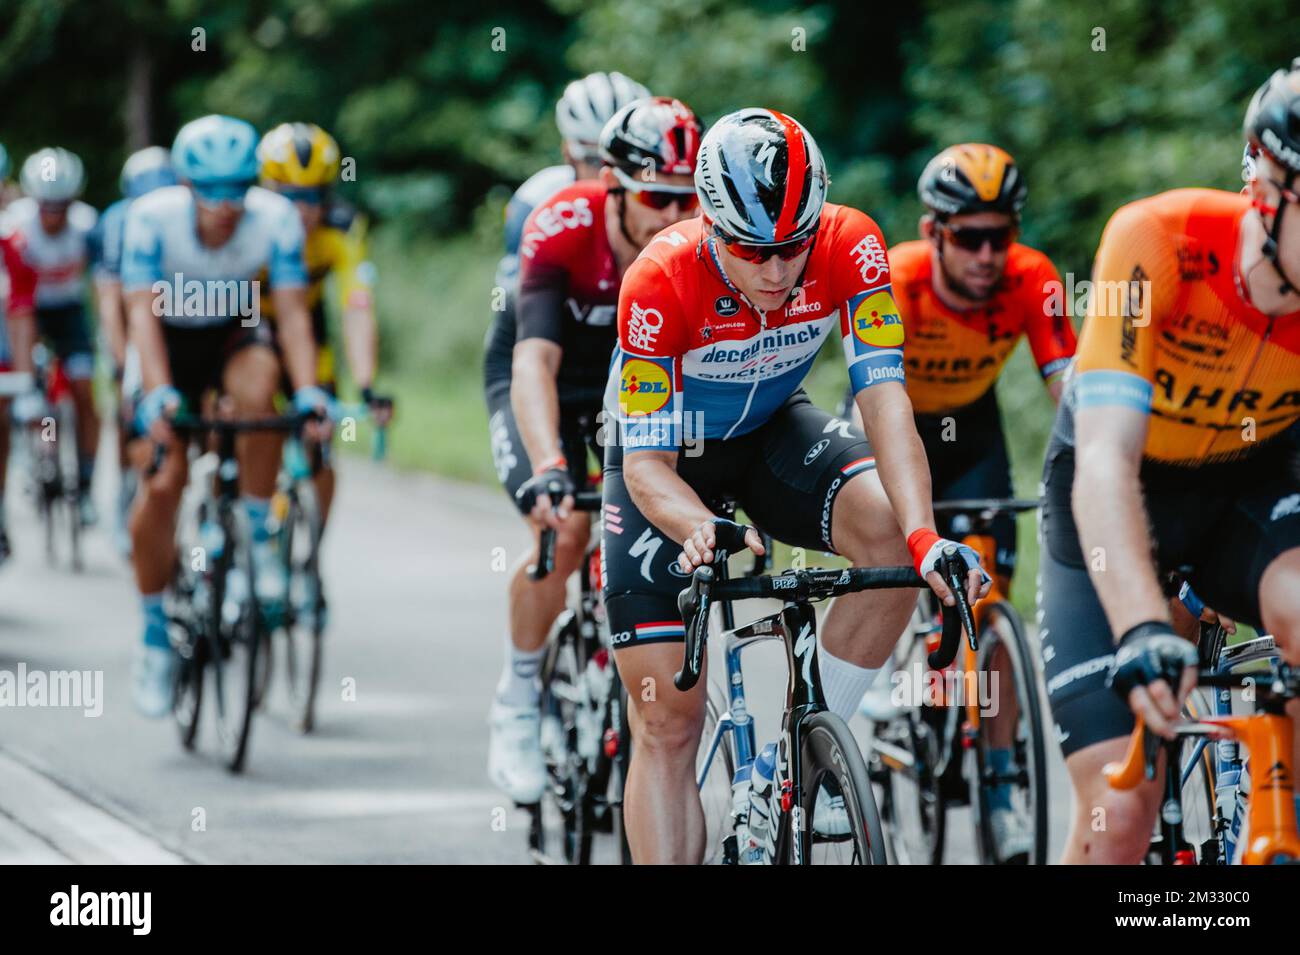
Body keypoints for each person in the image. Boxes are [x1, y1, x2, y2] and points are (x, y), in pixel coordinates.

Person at [601, 107, 989, 863]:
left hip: (776, 430)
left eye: (792, 248)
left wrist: (925, 537)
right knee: (667, 722)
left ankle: (804, 762)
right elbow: (645, 465)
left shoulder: (854, 243)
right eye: (753, 251)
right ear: (710, 224)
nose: (777, 273)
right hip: (671, 462)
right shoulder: (658, 278)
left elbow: (883, 400)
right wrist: (696, 526)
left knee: (890, 533)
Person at [1038, 60, 1300, 863]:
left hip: (1249, 493)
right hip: (1120, 501)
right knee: (1120, 815)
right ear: (1269, 186)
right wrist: (1145, 624)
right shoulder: (1155, 237)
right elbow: (1107, 464)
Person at [842, 144, 1077, 859]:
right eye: (968, 236)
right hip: (893, 421)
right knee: (889, 547)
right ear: (933, 230)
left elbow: (1072, 395)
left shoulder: (1031, 279)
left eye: (1000, 235)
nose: (986, 253)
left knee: (990, 597)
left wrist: (1096, 473)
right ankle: (887, 673)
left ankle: (1001, 780)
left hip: (971, 437)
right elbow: (868, 401)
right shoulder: (899, 277)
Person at [485, 95, 702, 805]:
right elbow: (532, 364)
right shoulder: (564, 224)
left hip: (634, 396)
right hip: (548, 378)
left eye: (687, 199)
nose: (675, 218)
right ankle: (518, 698)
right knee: (568, 526)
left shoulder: (702, 241)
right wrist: (551, 465)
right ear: (613, 186)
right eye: (657, 198)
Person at [122, 114, 331, 716]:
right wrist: (158, 395)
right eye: (211, 189)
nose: (226, 203)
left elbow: (291, 314)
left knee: (264, 397)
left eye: (238, 187)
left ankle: (258, 530)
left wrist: (312, 391)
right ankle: (155, 629)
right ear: (186, 185)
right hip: (164, 342)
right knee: (164, 482)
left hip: (231, 336)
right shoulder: (150, 219)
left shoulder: (276, 218)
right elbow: (139, 315)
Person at [257, 121, 389, 531]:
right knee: (245, 419)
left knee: (321, 444)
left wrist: (367, 386)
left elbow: (357, 307)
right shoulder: (249, 226)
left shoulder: (342, 228)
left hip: (308, 329)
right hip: (250, 323)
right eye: (289, 196)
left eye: (313, 196)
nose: (302, 210)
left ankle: (311, 553)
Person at [5, 148, 101, 526]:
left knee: (83, 389)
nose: (54, 215)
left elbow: (103, 283)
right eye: (47, 206)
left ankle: (88, 483)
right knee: (32, 389)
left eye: (62, 206)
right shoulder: (16, 225)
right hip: (27, 311)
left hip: (71, 312)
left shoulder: (87, 226)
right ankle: (37, 448)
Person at [93, 146, 179, 556]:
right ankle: (128, 486)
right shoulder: (116, 223)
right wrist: (123, 360)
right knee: (131, 410)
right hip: (133, 321)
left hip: (176, 316)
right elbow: (112, 300)